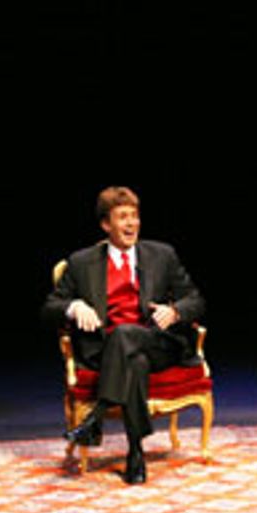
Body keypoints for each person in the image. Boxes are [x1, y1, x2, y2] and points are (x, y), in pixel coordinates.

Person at [42, 186, 205, 485]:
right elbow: (49, 308)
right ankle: (135, 453)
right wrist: (74, 306)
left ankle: (96, 416)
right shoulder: (81, 263)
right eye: (122, 217)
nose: (131, 224)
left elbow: (195, 300)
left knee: (127, 336)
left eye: (134, 216)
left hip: (159, 343)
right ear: (106, 224)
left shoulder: (162, 255)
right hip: (108, 352)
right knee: (134, 361)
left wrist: (176, 311)